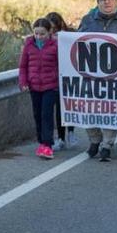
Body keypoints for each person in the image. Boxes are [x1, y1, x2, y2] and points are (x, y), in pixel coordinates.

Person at [77, 0, 117, 162]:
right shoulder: (87, 20)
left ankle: (107, 145)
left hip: (115, 75)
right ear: (97, 2)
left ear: (116, 1)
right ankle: (94, 140)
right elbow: (76, 41)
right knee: (88, 108)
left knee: (111, 108)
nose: (107, 2)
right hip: (90, 73)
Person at [18, 18, 59, 160]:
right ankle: (42, 142)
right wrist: (23, 81)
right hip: (34, 86)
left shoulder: (56, 45)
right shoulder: (29, 45)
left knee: (46, 114)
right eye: (36, 33)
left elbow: (61, 65)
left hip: (51, 86)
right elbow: (23, 66)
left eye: (42, 34)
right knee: (37, 115)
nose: (39, 37)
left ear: (50, 32)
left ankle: (47, 145)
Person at [46, 11, 77, 149]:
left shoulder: (68, 35)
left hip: (69, 76)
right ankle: (60, 138)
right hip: (54, 76)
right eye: (50, 28)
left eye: (54, 27)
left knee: (68, 106)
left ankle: (70, 132)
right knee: (59, 108)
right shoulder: (46, 37)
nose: (52, 30)